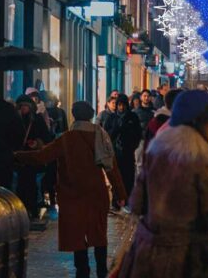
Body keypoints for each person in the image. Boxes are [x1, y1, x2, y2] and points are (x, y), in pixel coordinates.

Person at [117, 90, 208, 278]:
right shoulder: (207, 160)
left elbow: (137, 203)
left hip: (149, 254)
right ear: (201, 119)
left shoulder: (157, 149)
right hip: (188, 260)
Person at [15, 101, 127, 278]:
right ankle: (102, 272)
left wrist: (17, 156)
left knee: (77, 236)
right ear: (90, 115)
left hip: (72, 194)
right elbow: (111, 167)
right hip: (96, 192)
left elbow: (42, 156)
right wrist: (120, 193)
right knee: (98, 233)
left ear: (74, 115)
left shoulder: (66, 138)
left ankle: (82, 272)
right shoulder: (100, 135)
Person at [15, 93, 53, 217]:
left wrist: (37, 142)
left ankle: (31, 209)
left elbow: (46, 137)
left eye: (26, 106)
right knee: (21, 184)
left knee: (31, 184)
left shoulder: (37, 119)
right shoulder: (15, 119)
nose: (23, 109)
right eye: (21, 106)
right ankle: (24, 210)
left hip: (32, 157)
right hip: (18, 158)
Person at [107, 96, 142, 194]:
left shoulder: (132, 117)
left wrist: (133, 145)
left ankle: (128, 196)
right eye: (119, 105)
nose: (121, 108)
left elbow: (137, 133)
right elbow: (107, 133)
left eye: (123, 105)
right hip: (115, 151)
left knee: (128, 174)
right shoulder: (112, 117)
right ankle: (117, 197)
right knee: (116, 175)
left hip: (128, 150)